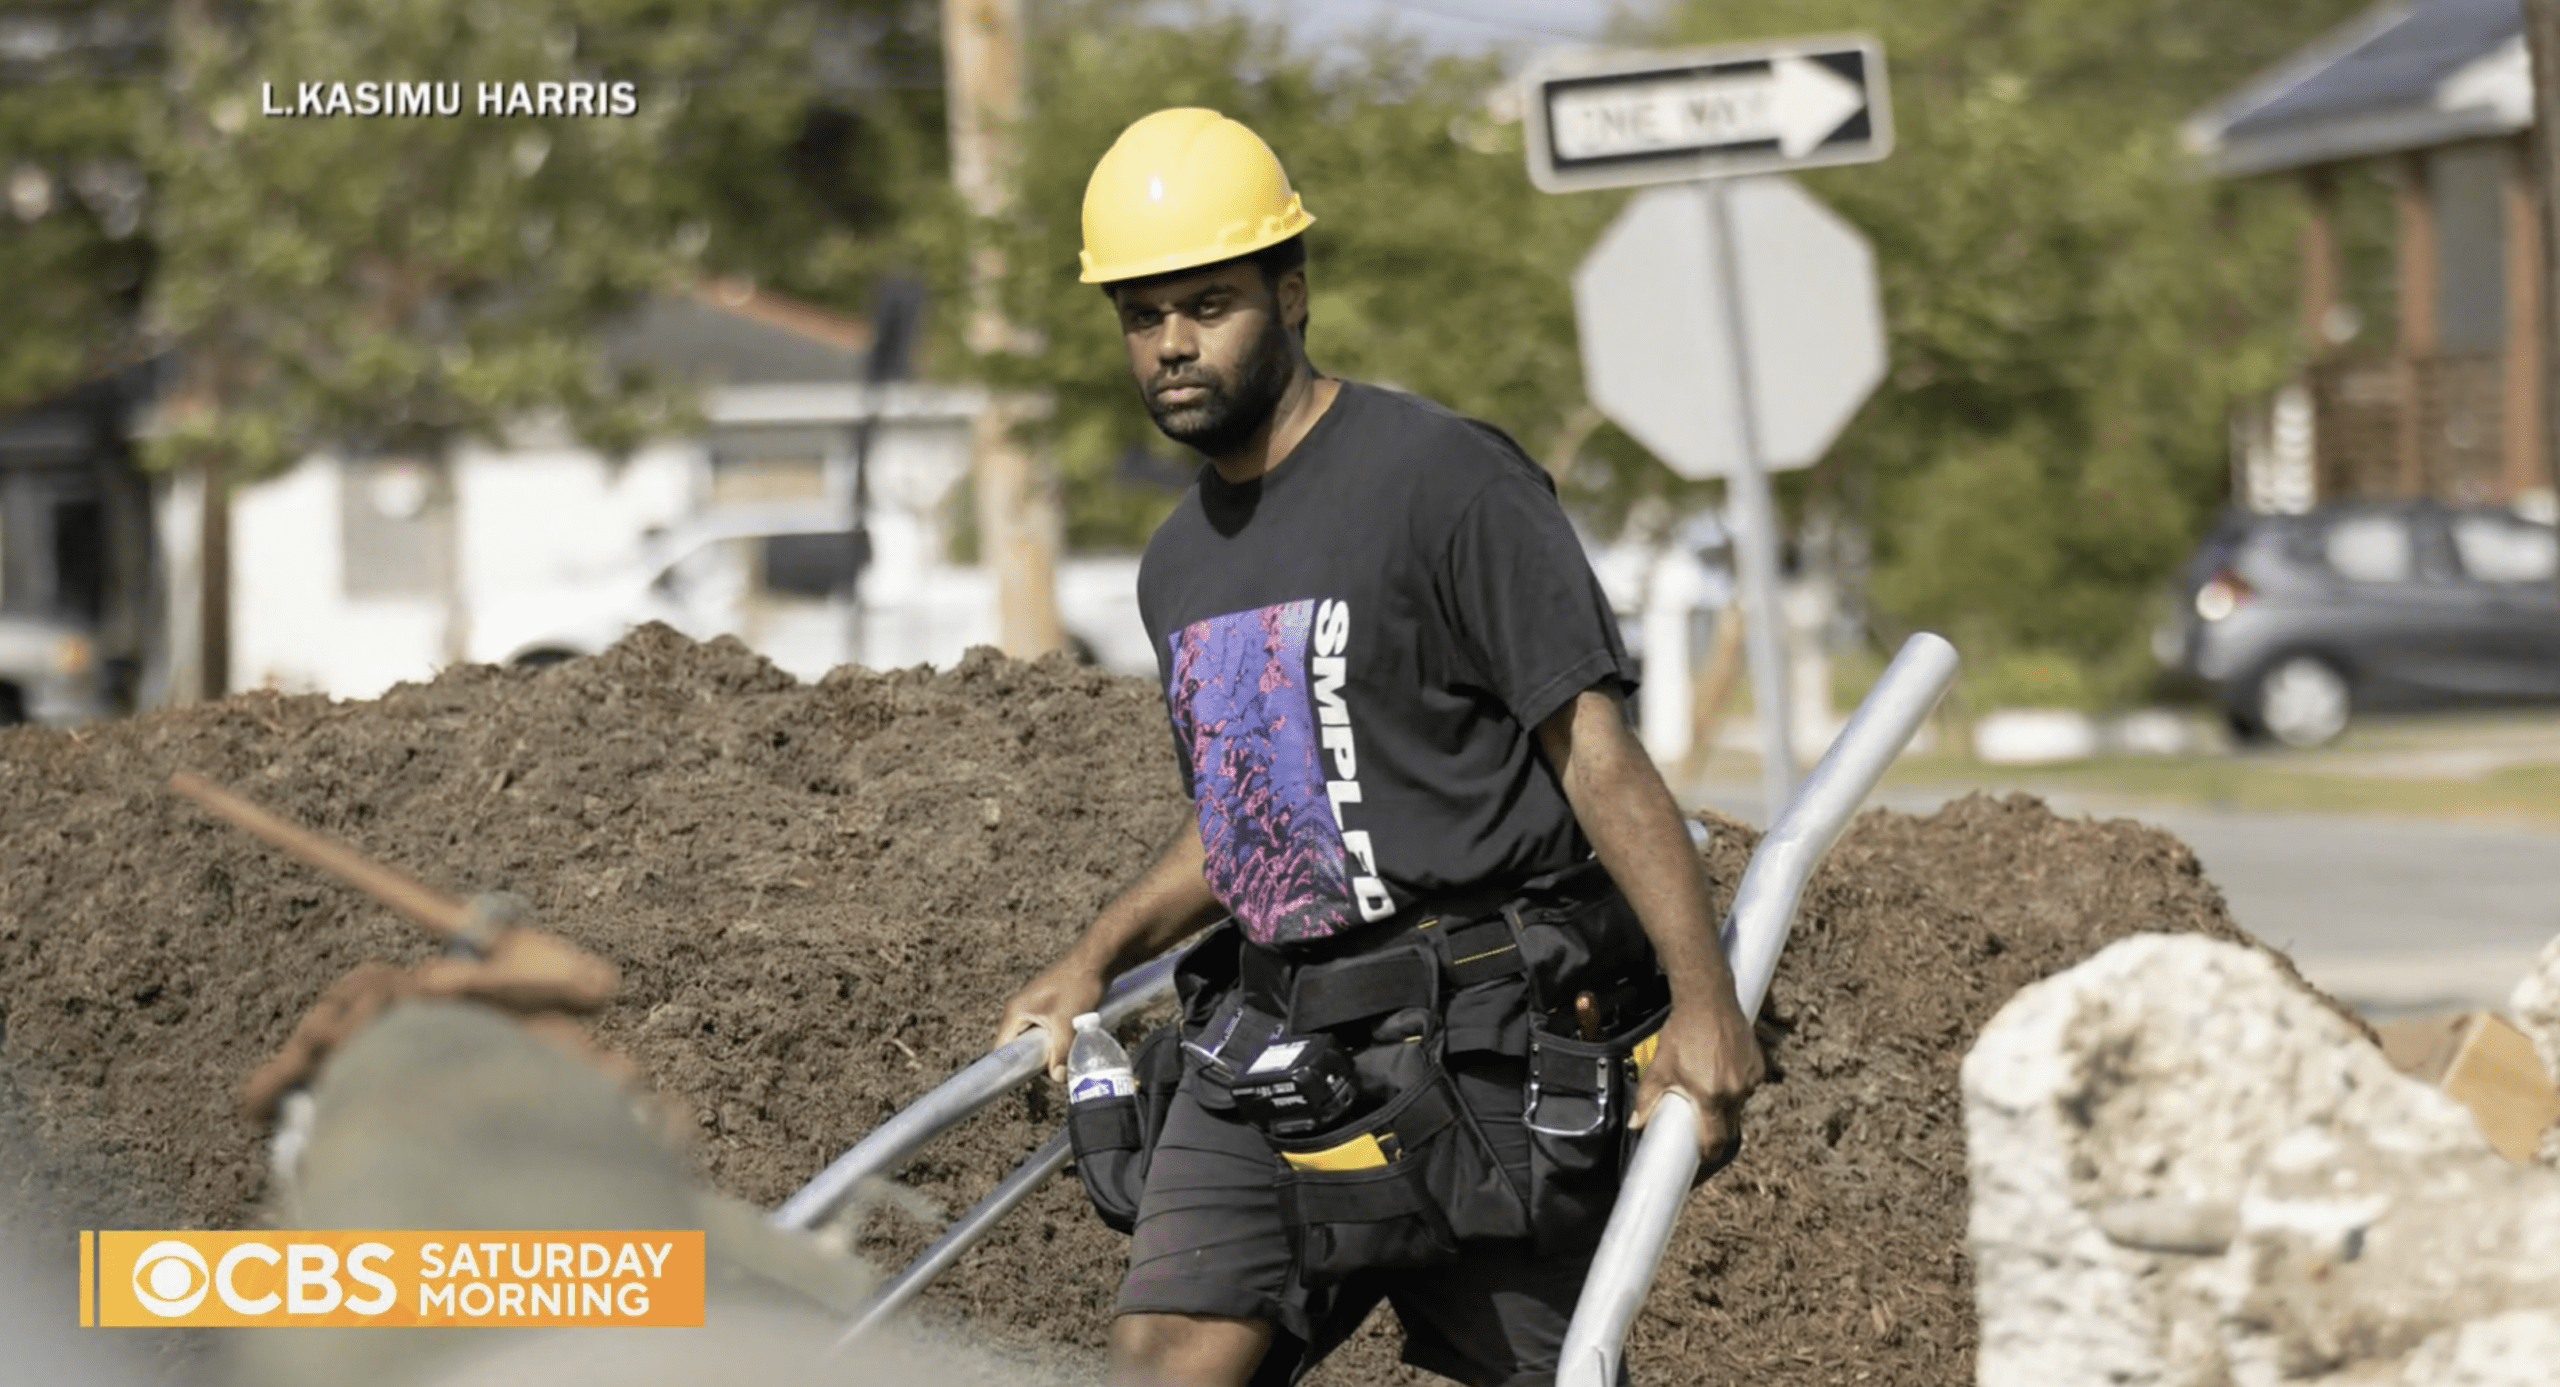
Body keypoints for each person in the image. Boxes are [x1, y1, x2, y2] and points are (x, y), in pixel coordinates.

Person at [994, 108, 1764, 1387]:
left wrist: (1702, 1004)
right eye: (1143, 315)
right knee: (1162, 1361)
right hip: (1272, 1032)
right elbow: (1248, 822)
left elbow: (1595, 754)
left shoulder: (1448, 483)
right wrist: (1090, 957)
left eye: (1209, 303)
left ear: (1289, 295)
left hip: (1477, 1048)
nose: (1174, 343)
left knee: (1544, 1368)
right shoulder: (1178, 561)